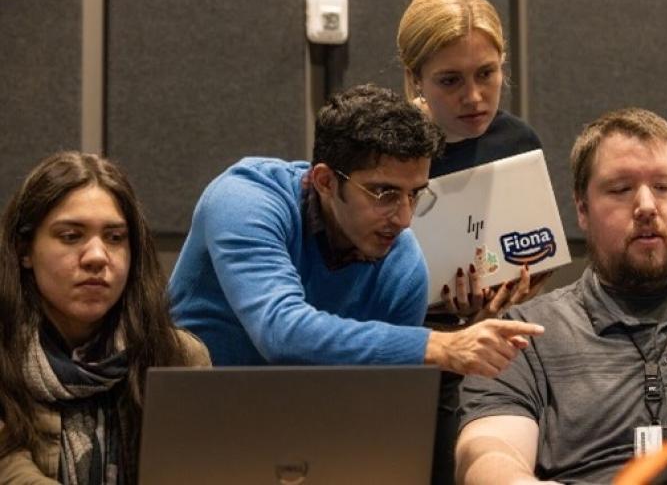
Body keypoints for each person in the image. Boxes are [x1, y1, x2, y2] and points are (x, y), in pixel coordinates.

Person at [455, 108, 667, 485]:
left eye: (665, 187)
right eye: (620, 189)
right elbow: (488, 450)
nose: (647, 206)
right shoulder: (522, 337)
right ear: (583, 211)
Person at [169, 84, 544, 376]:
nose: (404, 218)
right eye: (384, 193)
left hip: (308, 434)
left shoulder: (402, 262)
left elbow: (380, 400)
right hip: (190, 420)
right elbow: (281, 332)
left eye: (415, 195)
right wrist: (440, 346)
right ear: (326, 181)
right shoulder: (245, 200)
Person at [397, 0, 551, 484]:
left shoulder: (517, 140)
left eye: (487, 73)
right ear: (415, 77)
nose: (474, 96)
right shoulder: (387, 148)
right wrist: (439, 315)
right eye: (450, 80)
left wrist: (501, 298)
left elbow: (536, 253)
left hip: (497, 361)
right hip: (404, 364)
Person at [0, 152, 210, 484]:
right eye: (71, 236)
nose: (97, 256)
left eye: (114, 238)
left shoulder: (178, 356)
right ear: (24, 250)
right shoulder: (4, 350)